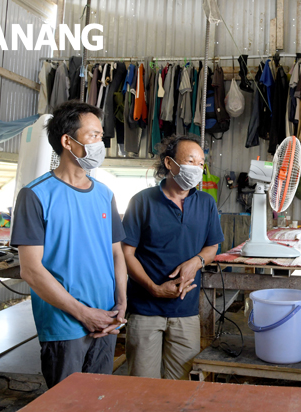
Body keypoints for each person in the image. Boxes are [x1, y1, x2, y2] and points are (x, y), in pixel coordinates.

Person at [12, 100, 127, 388]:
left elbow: (117, 253)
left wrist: (122, 302)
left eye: (102, 136)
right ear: (67, 140)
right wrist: (84, 314)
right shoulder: (35, 195)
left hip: (107, 318)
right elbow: (31, 270)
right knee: (66, 405)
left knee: (99, 400)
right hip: (64, 325)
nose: (101, 144)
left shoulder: (104, 194)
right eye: (94, 136)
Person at [121, 136, 224, 380]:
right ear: (169, 163)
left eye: (201, 163)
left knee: (180, 387)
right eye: (190, 161)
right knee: (142, 385)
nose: (196, 168)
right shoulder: (142, 202)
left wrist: (196, 262)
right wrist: (154, 288)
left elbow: (213, 246)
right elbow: (126, 253)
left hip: (186, 310)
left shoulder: (206, 203)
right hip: (145, 310)